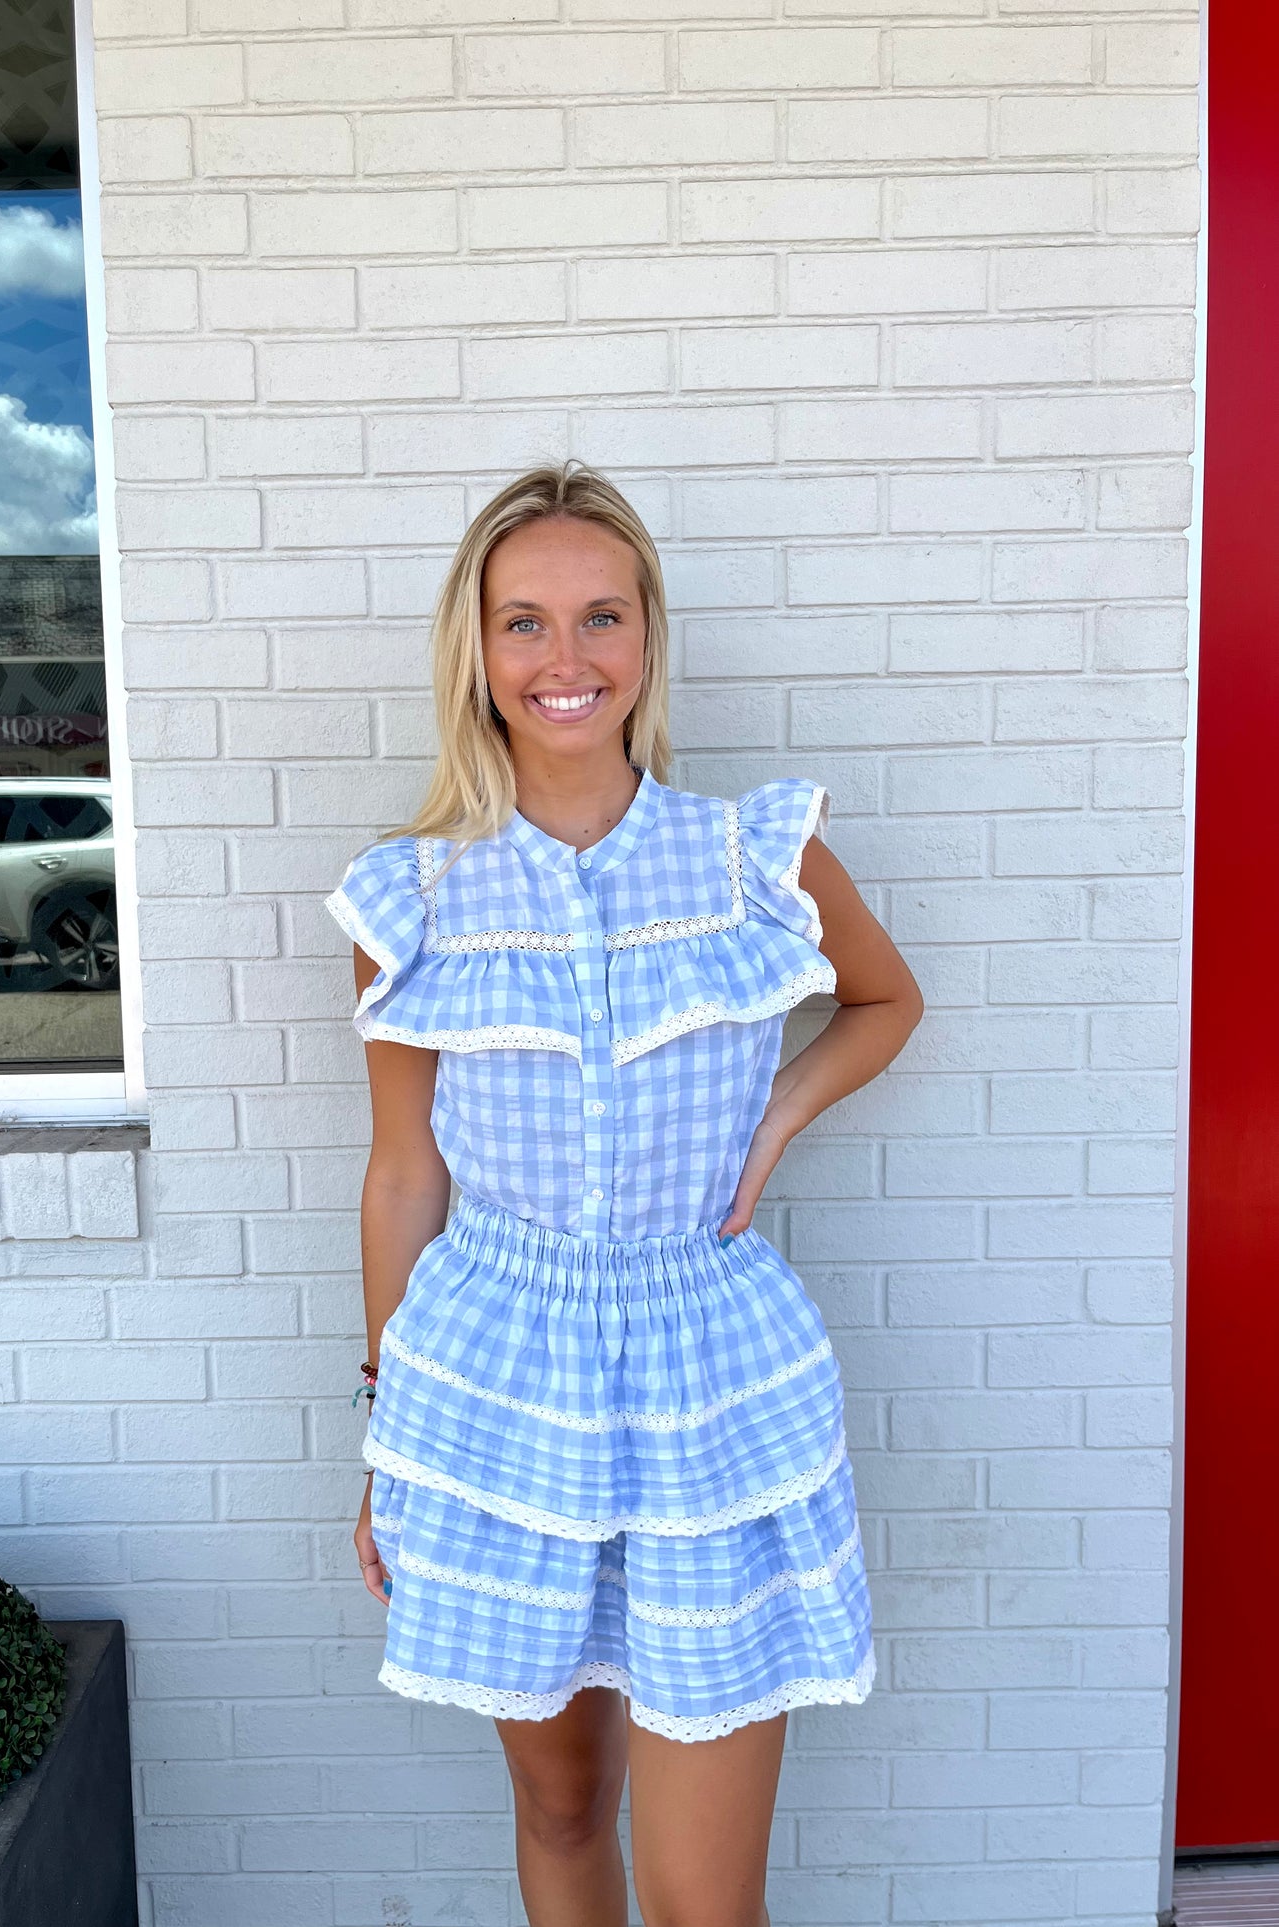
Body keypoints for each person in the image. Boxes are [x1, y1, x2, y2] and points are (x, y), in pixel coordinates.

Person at [326, 462, 924, 1927]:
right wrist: (386, 1441)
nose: (565, 658)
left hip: (707, 1374)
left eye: (600, 616)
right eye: (523, 622)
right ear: (475, 650)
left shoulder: (750, 861)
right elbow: (404, 1170)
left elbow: (882, 1001)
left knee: (706, 1898)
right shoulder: (410, 899)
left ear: (648, 638)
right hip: (491, 1379)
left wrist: (779, 1112)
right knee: (561, 1801)